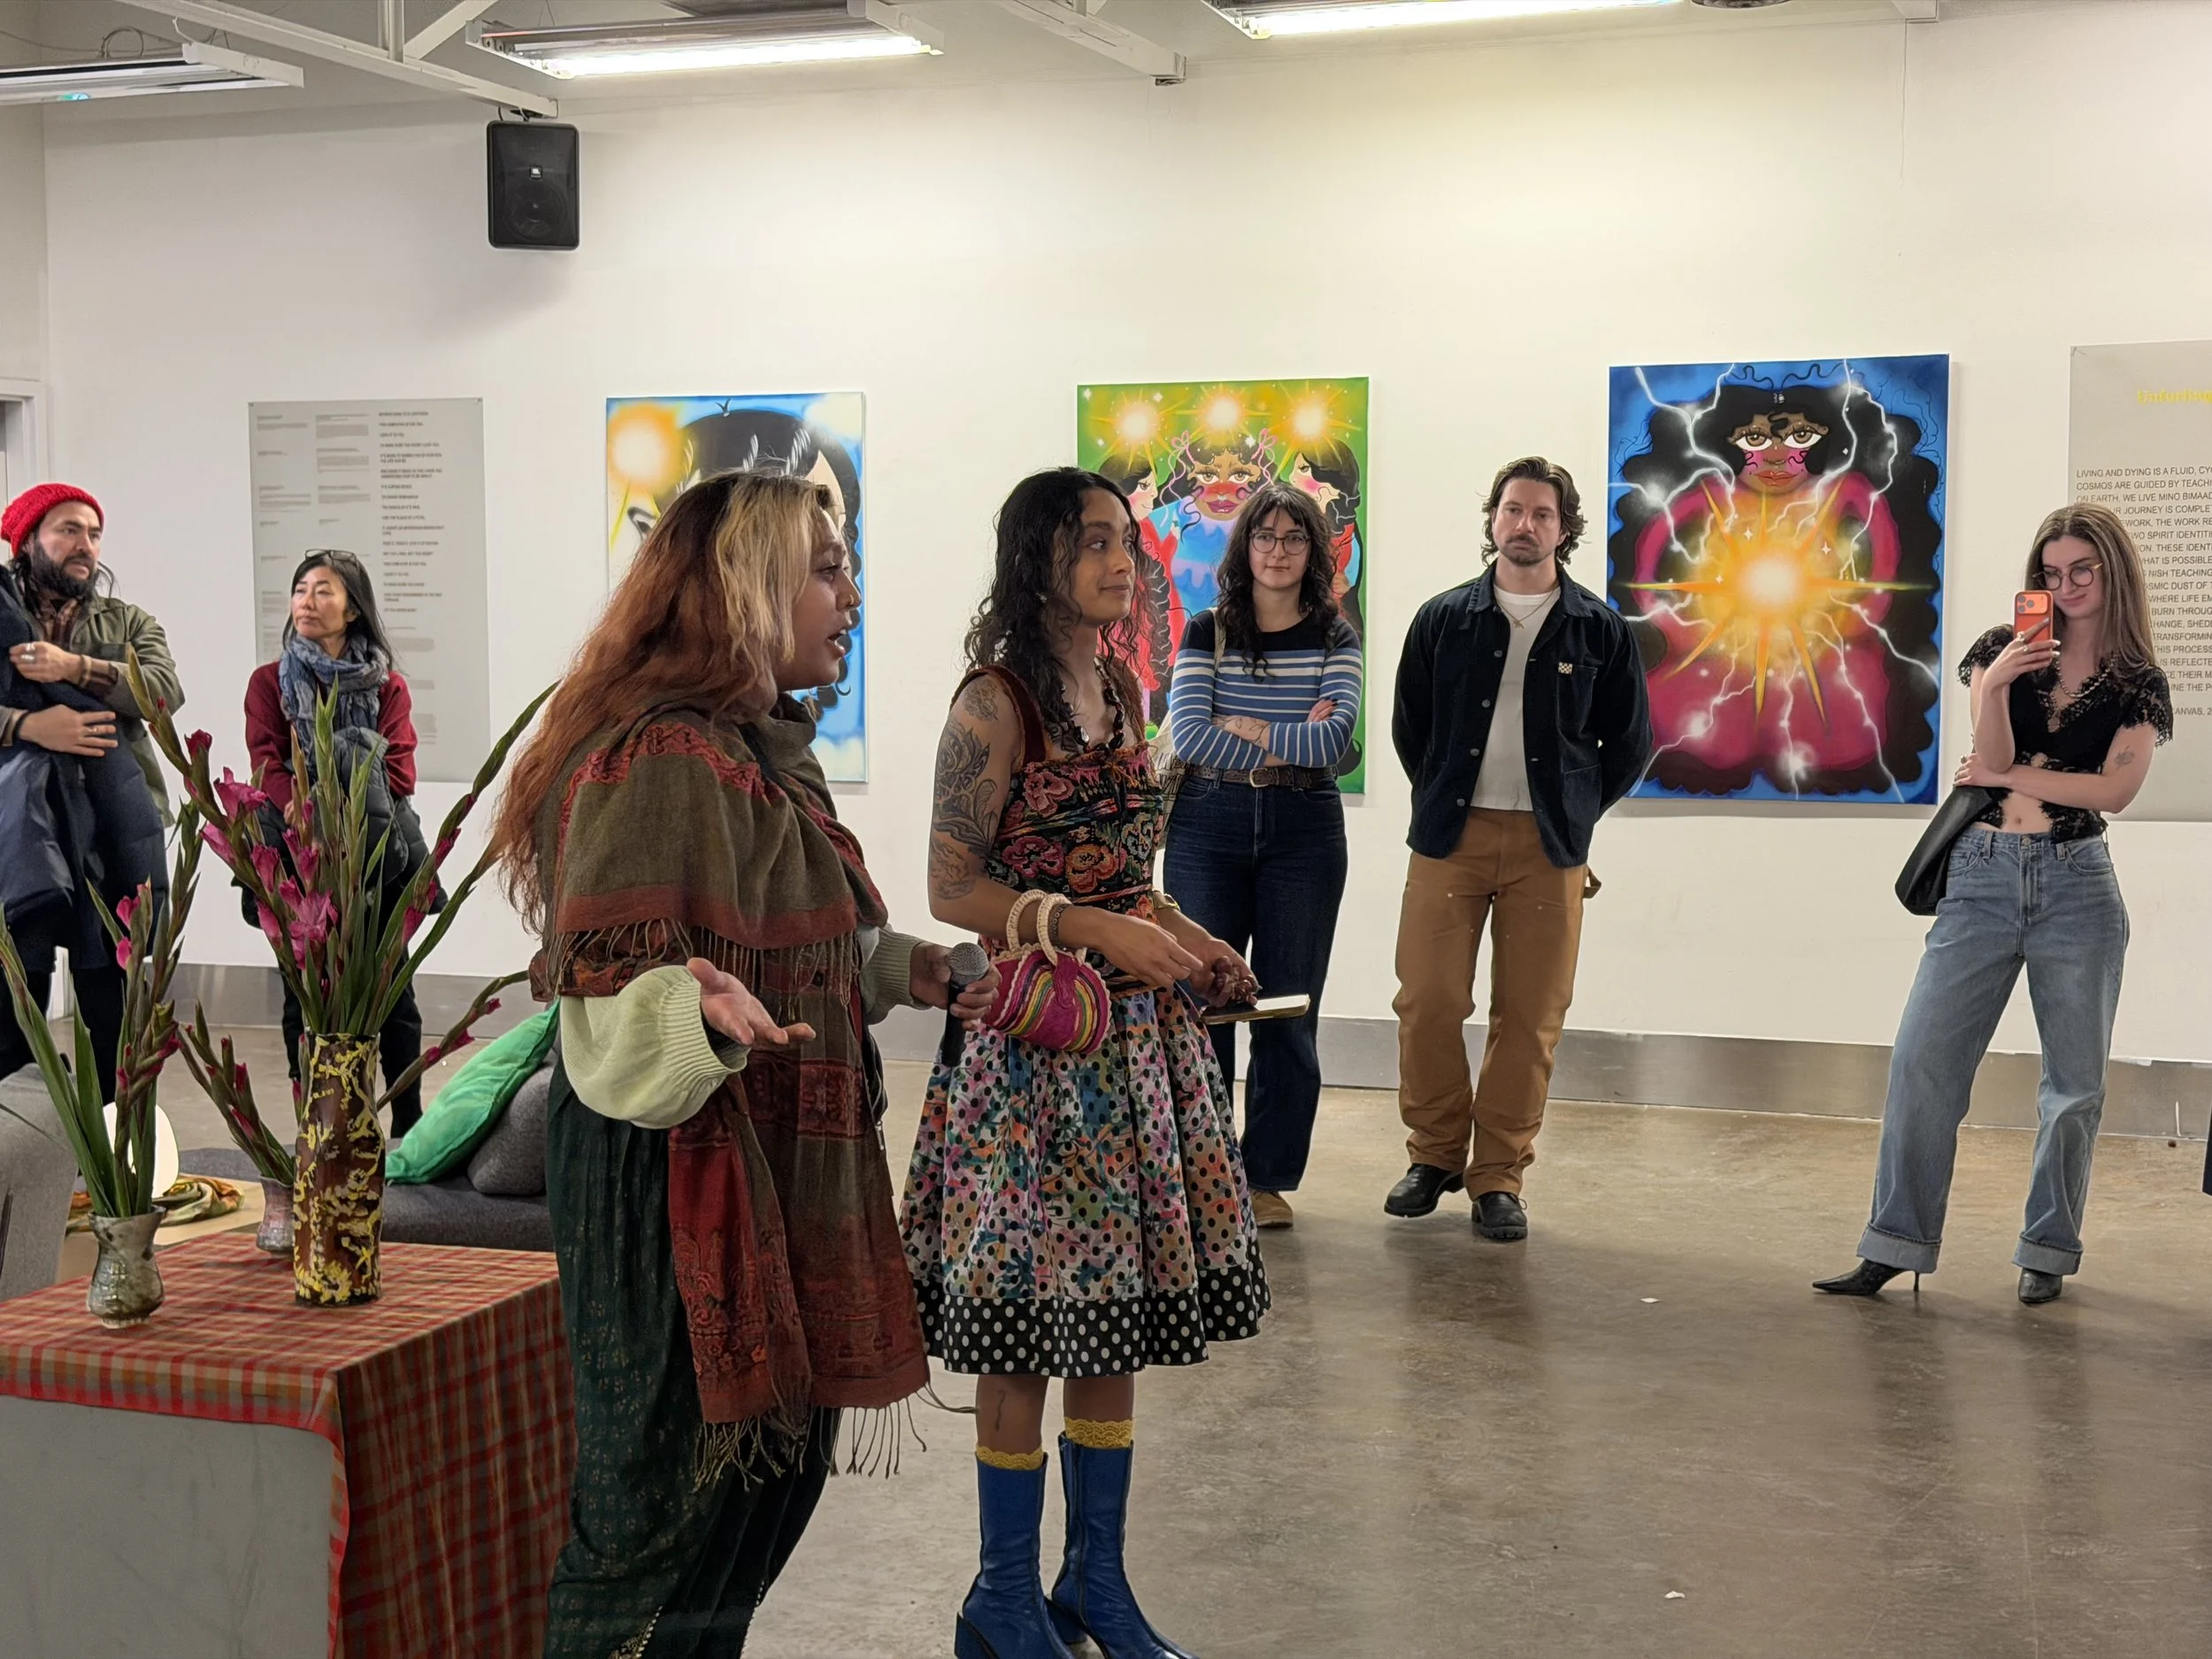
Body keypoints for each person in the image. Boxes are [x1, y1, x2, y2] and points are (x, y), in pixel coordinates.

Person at [489, 470, 986, 1655]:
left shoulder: (762, 754)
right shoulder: (652, 761)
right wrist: (696, 1008)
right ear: (742, 590)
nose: (850, 593)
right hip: (674, 1182)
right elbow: (609, 1023)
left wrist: (925, 970)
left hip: (780, 1164)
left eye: (845, 564)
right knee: (659, 1512)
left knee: (762, 1489)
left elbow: (803, 939)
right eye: (824, 568)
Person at [905, 467, 1270, 1659]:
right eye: (1098, 541)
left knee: (1109, 1327)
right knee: (1023, 1324)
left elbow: (1129, 875)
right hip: (1032, 1062)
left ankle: (1092, 1583)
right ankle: (1001, 1598)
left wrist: (1191, 938)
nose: (1126, 560)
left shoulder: (1121, 685)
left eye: (1127, 540)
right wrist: (1088, 928)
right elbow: (952, 887)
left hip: (1134, 1058)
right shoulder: (993, 702)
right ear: (1039, 558)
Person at [1816, 503, 2170, 1307]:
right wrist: (2000, 686)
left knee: (2074, 1085)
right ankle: (1893, 1242)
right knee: (1922, 1062)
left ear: (2113, 574)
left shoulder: (2139, 682)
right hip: (1978, 876)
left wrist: (2006, 775)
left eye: (2083, 570)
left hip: (2077, 883)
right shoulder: (1995, 651)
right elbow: (1989, 754)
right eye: (2051, 573)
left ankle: (2047, 1246)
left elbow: (2113, 790)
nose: (2067, 585)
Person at [1386, 457, 1652, 1241]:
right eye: (1512, 509)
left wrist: (1570, 812)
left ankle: (1497, 1174)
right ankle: (1433, 1154)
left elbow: (1629, 742)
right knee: (1427, 1000)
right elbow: (1411, 728)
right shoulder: (1443, 619)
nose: (1525, 523)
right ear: (1492, 520)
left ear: (1564, 529)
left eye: (1542, 513)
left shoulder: (1598, 627)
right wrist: (1445, 794)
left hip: (1549, 845)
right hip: (1449, 838)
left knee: (1531, 1015)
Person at [1162, 481, 1363, 1229]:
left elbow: (1335, 742)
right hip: (1206, 820)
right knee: (1200, 1002)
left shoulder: (1337, 636)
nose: (1278, 551)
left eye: (1294, 538)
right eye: (1265, 537)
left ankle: (1267, 1177)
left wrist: (1249, 724)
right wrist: (1285, 728)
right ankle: (1202, 1175)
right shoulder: (1207, 630)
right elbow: (1190, 736)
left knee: (1287, 1006)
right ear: (1244, 547)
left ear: (1313, 551)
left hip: (1303, 824)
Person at [0, 482, 180, 1105]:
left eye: (94, 533)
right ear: (26, 541)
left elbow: (160, 693)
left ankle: (116, 1175)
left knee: (114, 1016)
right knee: (16, 1004)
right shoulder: (1, 613)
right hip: (25, 837)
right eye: (68, 530)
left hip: (113, 836)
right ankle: (27, 1176)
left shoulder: (126, 620)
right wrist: (29, 725)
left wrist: (75, 669)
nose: (85, 545)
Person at [244, 551, 431, 1139]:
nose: (307, 600)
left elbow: (399, 773)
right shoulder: (267, 683)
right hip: (299, 855)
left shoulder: (388, 685)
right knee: (304, 997)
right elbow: (265, 765)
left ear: (352, 608)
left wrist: (336, 780)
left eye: (323, 590)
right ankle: (318, 1118)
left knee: (391, 989)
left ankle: (409, 1122)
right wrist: (304, 801)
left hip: (373, 856)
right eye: (300, 589)